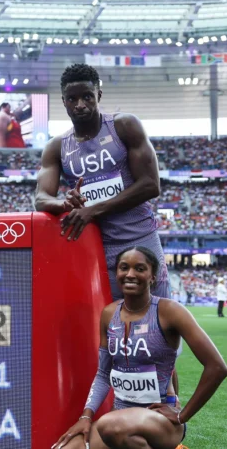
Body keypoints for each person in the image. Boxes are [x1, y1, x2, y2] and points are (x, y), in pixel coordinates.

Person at [52, 247, 227, 449]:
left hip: (160, 421)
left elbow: (217, 367)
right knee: (63, 447)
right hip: (119, 419)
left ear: (152, 276)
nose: (130, 274)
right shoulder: (109, 314)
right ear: (116, 273)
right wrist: (86, 415)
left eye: (140, 268)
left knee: (110, 425)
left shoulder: (170, 311)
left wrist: (182, 415)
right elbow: (103, 374)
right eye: (124, 268)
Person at [34, 63, 168, 301]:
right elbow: (41, 199)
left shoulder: (124, 126)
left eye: (87, 96)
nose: (80, 105)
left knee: (159, 317)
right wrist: (65, 204)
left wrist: (93, 210)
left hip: (140, 237)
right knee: (111, 325)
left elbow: (150, 184)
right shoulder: (57, 147)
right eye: (72, 99)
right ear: (64, 102)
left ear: (99, 95)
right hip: (98, 247)